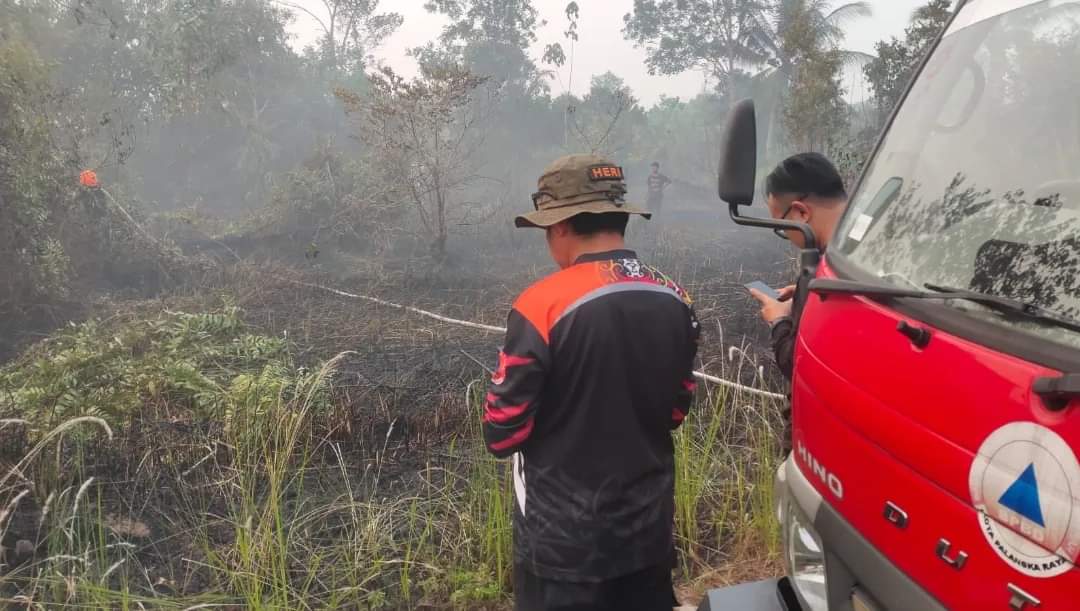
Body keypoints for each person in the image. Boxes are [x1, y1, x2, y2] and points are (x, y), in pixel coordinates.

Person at [484, 154, 700, 611]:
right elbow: (676, 411)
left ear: (561, 226)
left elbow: (502, 433)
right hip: (648, 533)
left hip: (563, 548)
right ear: (620, 218)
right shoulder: (677, 297)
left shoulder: (540, 305)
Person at [749, 152, 848, 380]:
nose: (787, 236)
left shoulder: (832, 275)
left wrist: (779, 320)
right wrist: (806, 294)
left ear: (801, 212)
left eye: (782, 226)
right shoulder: (864, 251)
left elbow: (800, 366)